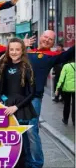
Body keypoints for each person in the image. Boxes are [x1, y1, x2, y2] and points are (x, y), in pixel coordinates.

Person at [25, 30, 75, 168]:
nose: (47, 40)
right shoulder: (26, 52)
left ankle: (36, 163)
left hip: (34, 98)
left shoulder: (52, 56)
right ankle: (25, 160)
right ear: (40, 37)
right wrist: (23, 46)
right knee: (21, 130)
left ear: (53, 43)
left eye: (50, 39)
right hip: (18, 98)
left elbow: (68, 54)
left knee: (31, 129)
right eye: (45, 37)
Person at [0, 37, 37, 168]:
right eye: (11, 49)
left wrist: (16, 107)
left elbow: (32, 93)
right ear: (7, 51)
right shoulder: (3, 66)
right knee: (7, 142)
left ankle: (27, 164)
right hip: (6, 108)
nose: (14, 52)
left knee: (23, 143)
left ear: (22, 50)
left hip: (21, 109)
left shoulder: (27, 67)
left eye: (17, 49)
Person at [55, 58, 75, 126]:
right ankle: (74, 121)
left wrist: (57, 88)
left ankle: (65, 119)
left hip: (67, 88)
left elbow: (61, 78)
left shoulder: (66, 66)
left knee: (67, 104)